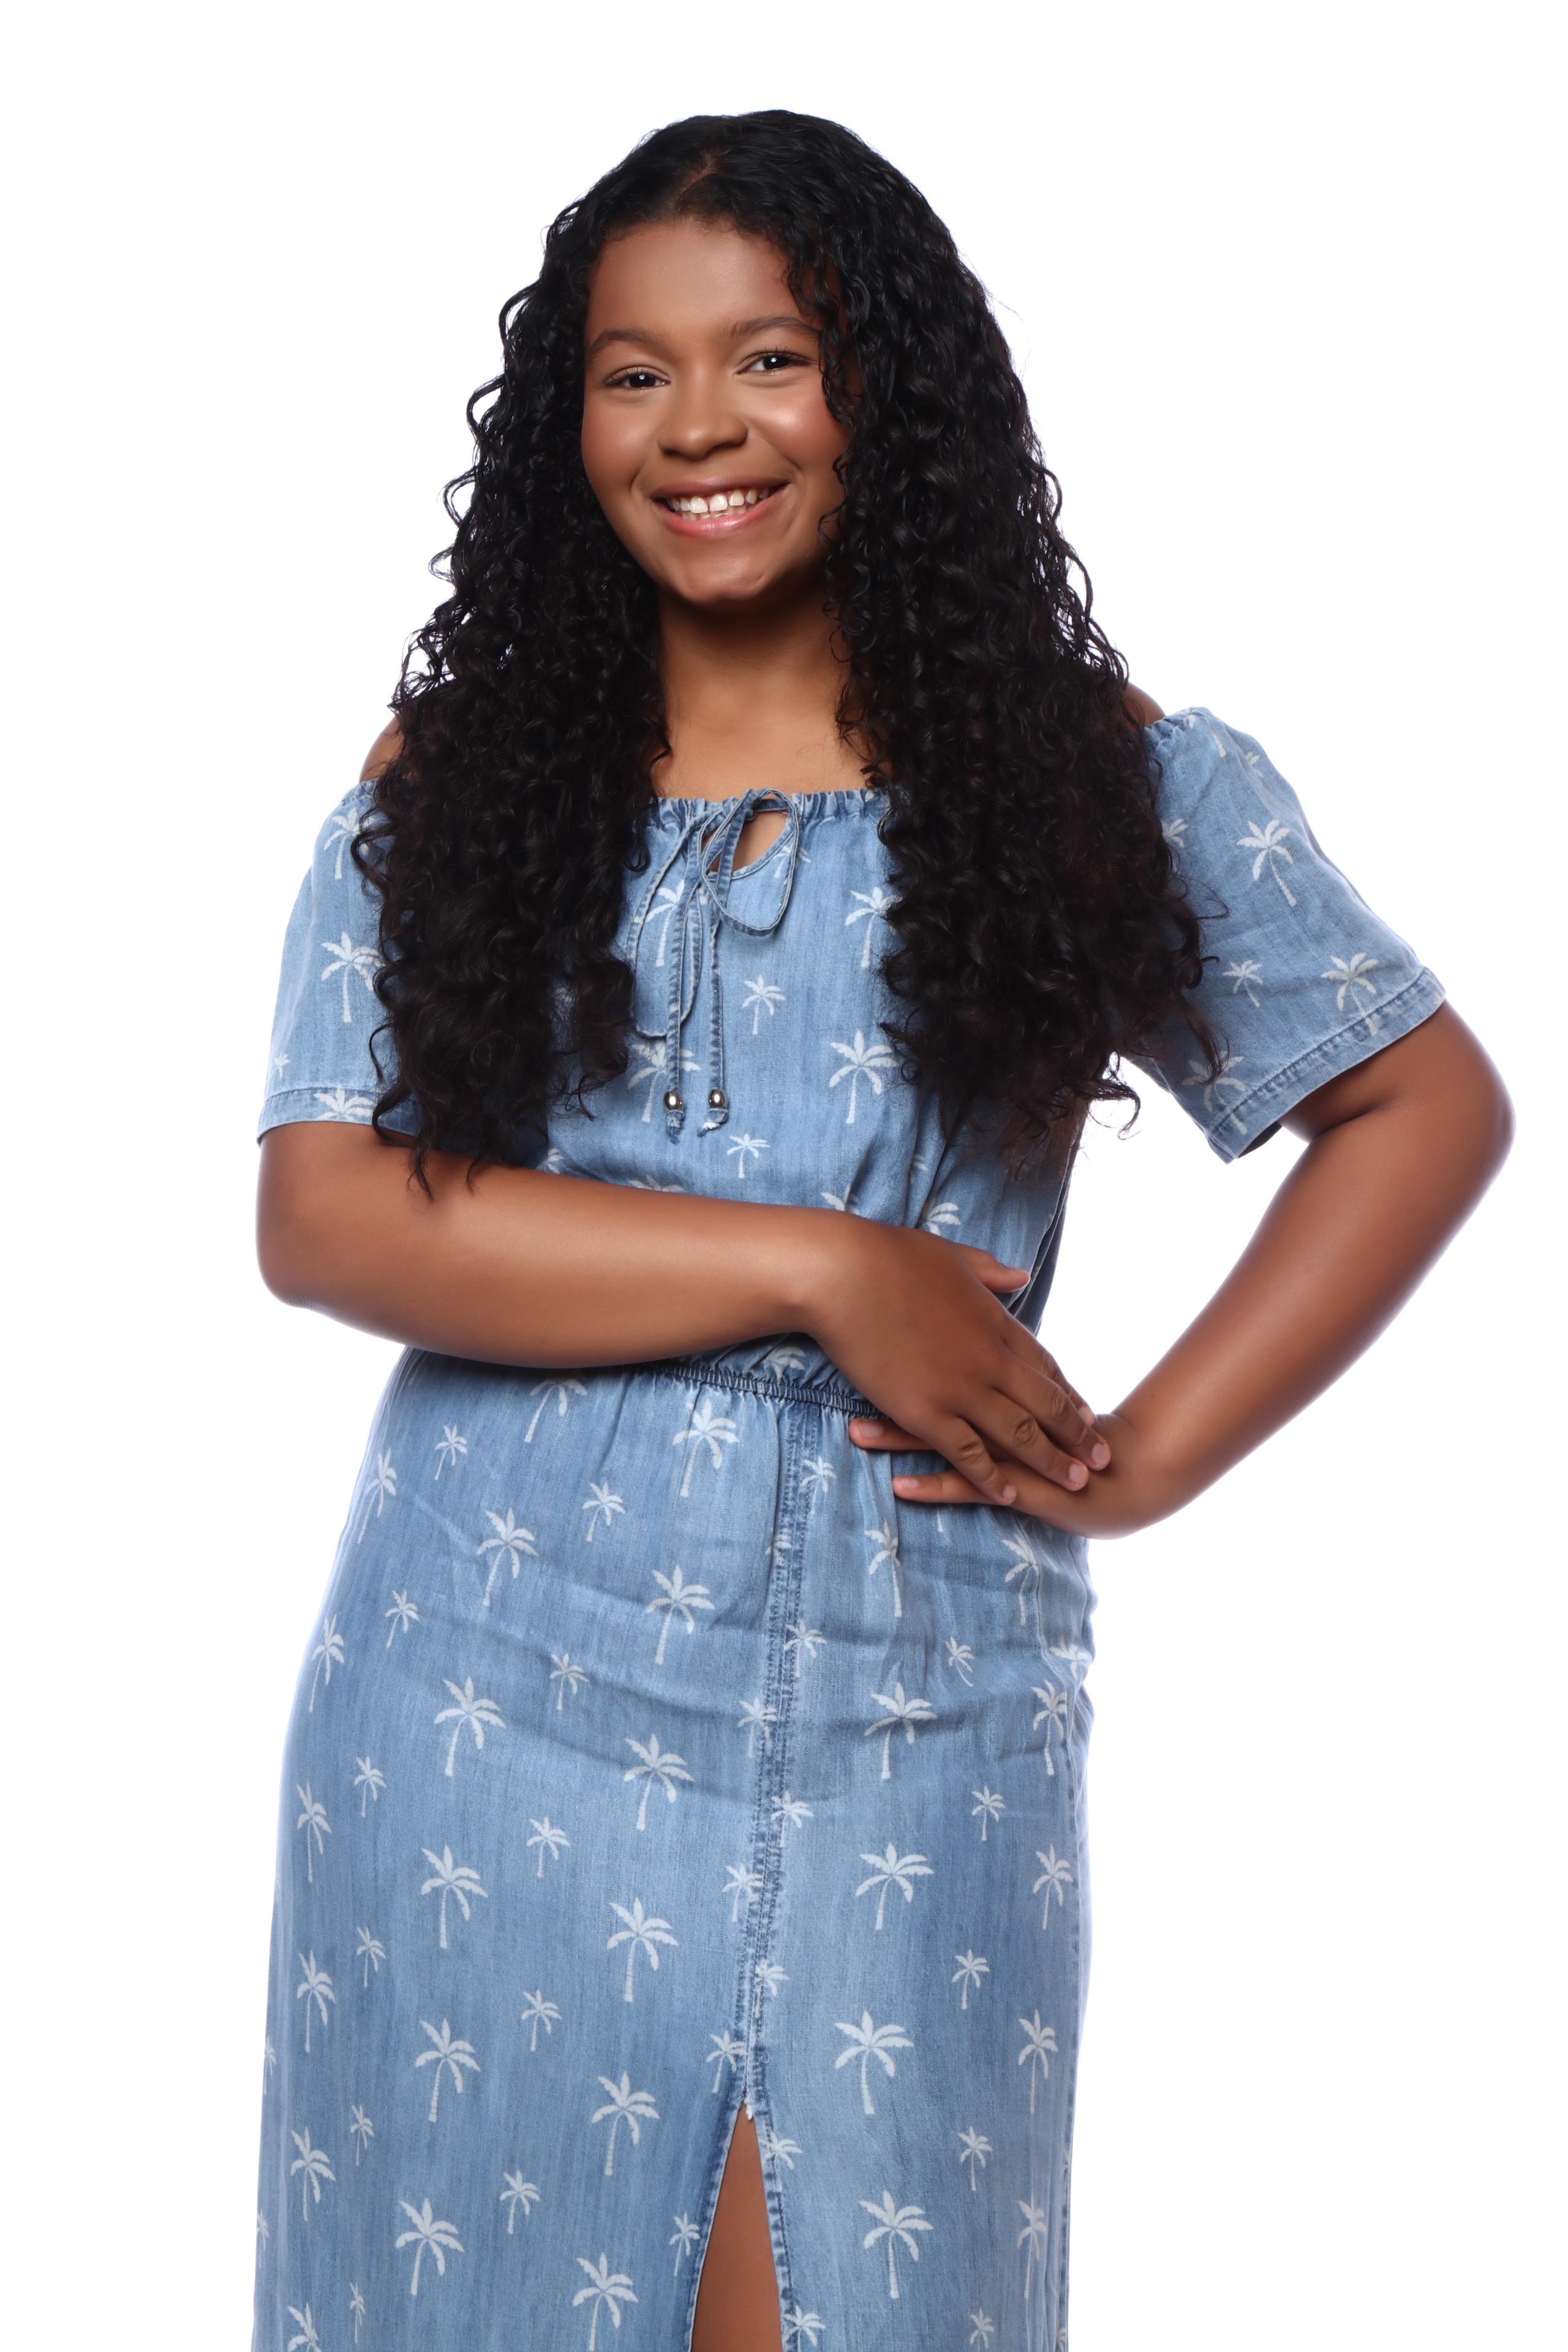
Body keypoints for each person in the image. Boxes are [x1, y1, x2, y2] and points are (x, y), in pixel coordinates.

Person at [249, 111, 1510, 2352]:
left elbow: (1418, 1100)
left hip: (925, 1701)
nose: (700, 428)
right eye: (633, 373)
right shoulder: (462, 776)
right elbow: (326, 1215)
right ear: (566, 423)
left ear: (886, 394)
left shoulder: (1083, 772)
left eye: (772, 358)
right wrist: (826, 1266)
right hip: (479, 1679)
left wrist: (1147, 1455)